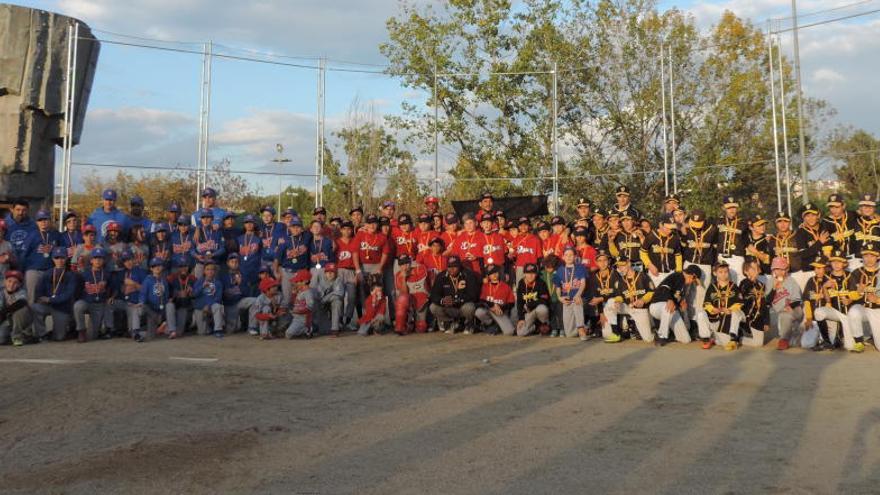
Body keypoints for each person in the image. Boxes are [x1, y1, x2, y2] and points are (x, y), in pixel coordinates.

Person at [811, 251, 859, 351]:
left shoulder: (850, 276)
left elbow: (856, 295)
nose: (836, 264)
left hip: (847, 315)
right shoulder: (826, 276)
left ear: (844, 263)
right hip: (833, 313)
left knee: (849, 346)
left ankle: (841, 337)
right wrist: (824, 287)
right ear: (830, 263)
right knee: (818, 312)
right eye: (833, 261)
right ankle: (826, 341)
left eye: (839, 261)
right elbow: (823, 299)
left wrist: (850, 300)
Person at [602, 256, 654, 343]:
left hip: (640, 309)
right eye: (618, 267)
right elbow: (619, 295)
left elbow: (652, 292)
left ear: (629, 263)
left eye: (623, 265)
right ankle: (615, 333)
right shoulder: (620, 280)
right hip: (628, 307)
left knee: (648, 339)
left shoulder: (642, 276)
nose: (620, 269)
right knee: (610, 303)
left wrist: (643, 300)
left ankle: (654, 327)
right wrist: (618, 301)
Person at [32, 247, 77, 342]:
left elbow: (68, 294)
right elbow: (39, 290)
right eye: (56, 258)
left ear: (66, 259)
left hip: (62, 307)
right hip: (48, 305)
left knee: (59, 337)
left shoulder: (71, 275)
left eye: (62, 258)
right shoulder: (47, 273)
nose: (59, 260)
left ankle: (55, 332)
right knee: (35, 307)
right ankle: (41, 334)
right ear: (52, 259)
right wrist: (40, 298)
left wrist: (50, 299)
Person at [649, 265, 702, 346]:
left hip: (670, 310)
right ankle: (661, 336)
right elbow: (664, 287)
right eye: (694, 279)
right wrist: (669, 299)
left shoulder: (685, 286)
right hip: (657, 305)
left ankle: (670, 335)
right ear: (692, 275)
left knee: (686, 339)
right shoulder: (677, 275)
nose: (693, 282)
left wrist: (683, 309)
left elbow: (677, 299)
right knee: (670, 307)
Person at [696, 261, 744, 350]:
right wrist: (715, 309)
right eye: (720, 272)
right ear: (715, 273)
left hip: (728, 319)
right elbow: (706, 304)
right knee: (701, 313)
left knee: (737, 312)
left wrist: (729, 309)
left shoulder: (734, 287)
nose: (723, 274)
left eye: (726, 272)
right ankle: (706, 338)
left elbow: (739, 303)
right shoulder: (712, 287)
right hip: (715, 318)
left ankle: (733, 337)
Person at [429, 255, 479, 334]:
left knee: (469, 307)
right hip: (448, 306)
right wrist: (442, 300)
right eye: (449, 267)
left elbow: (473, 295)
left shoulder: (468, 275)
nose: (451, 269)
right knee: (433, 307)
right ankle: (449, 323)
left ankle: (468, 323)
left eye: (454, 266)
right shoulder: (441, 276)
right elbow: (434, 294)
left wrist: (458, 299)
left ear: (459, 266)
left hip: (463, 305)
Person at [765, 256, 805, 351]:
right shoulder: (770, 282)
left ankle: (784, 340)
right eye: (777, 269)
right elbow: (767, 301)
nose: (780, 272)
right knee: (780, 315)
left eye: (782, 269)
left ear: (787, 270)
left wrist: (790, 306)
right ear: (773, 270)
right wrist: (774, 289)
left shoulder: (791, 281)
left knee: (785, 315)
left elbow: (797, 300)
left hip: (793, 309)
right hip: (778, 311)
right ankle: (793, 334)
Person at [846, 243, 880, 351]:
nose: (869, 259)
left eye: (872, 255)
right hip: (864, 308)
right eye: (866, 255)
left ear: (878, 256)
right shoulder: (856, 273)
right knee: (853, 311)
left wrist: (878, 299)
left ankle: (873, 337)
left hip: (878, 310)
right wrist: (859, 292)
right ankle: (859, 341)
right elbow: (851, 295)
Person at [108, 250, 147, 340]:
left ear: (134, 259)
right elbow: (118, 288)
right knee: (109, 304)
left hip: (134, 304)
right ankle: (109, 329)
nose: (128, 262)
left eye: (130, 259)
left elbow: (146, 289)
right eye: (125, 261)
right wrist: (115, 295)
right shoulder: (121, 273)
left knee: (132, 331)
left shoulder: (141, 271)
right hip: (124, 301)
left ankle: (138, 333)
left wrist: (134, 284)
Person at [23, 209, 58, 304]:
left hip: (50, 270)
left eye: (45, 219)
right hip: (34, 270)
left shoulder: (55, 235)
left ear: (50, 220)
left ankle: (43, 318)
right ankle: (30, 318)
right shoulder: (32, 235)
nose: (43, 222)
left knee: (47, 298)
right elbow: (24, 254)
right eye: (40, 220)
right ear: (36, 222)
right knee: (31, 298)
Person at [553, 247, 589, 340]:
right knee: (569, 334)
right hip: (567, 300)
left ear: (575, 257)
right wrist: (560, 297)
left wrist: (578, 294)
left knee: (577, 302)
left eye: (571, 255)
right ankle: (585, 328)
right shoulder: (559, 270)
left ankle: (581, 328)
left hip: (578, 298)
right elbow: (557, 287)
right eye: (566, 255)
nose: (568, 257)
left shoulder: (580, 267)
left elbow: (583, 283)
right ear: (563, 257)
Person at [792, 203, 830, 290]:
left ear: (818, 215)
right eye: (807, 216)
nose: (810, 218)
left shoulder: (825, 227)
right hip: (809, 270)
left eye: (813, 215)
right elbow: (803, 254)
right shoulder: (801, 232)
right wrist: (819, 242)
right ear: (803, 218)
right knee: (811, 298)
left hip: (825, 269)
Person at [640, 214, 682, 288]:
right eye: (668, 227)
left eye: (672, 227)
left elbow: (678, 255)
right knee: (655, 296)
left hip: (670, 273)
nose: (670, 230)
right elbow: (643, 252)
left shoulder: (675, 238)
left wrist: (678, 272)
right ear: (661, 225)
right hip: (655, 273)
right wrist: (650, 265)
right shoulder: (651, 236)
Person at [801, 255, 833, 351]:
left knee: (832, 342)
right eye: (816, 268)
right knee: (806, 344)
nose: (817, 271)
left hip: (828, 319)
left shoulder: (830, 280)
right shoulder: (811, 281)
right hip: (814, 320)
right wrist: (809, 318)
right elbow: (806, 301)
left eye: (820, 268)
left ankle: (830, 338)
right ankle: (818, 337)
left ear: (826, 268)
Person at [393, 255, 431, 335]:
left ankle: (416, 322)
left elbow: (424, 289)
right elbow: (404, 293)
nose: (406, 266)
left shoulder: (420, 269)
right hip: (410, 304)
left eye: (407, 263)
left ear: (410, 263)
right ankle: (400, 326)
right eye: (403, 264)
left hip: (422, 302)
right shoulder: (398, 275)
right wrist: (403, 278)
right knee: (402, 298)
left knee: (421, 328)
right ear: (399, 266)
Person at [221, 254, 258, 335]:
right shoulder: (224, 276)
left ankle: (252, 327)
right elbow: (225, 294)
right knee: (230, 331)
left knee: (255, 301)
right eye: (232, 262)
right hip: (229, 305)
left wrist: (240, 284)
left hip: (240, 302)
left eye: (236, 262)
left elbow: (247, 293)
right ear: (228, 263)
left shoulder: (243, 275)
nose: (234, 264)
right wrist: (235, 288)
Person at [475, 263, 515, 335]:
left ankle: (497, 327)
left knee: (509, 332)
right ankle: (491, 325)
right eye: (491, 273)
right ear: (488, 276)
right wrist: (492, 305)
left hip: (500, 312)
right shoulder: (485, 286)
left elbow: (511, 303)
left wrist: (501, 308)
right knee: (479, 312)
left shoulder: (505, 286)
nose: (494, 275)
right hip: (490, 310)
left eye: (496, 272)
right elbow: (481, 301)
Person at [139, 258, 175, 339]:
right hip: (152, 310)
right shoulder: (147, 280)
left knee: (170, 305)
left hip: (162, 309)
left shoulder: (164, 280)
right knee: (150, 337)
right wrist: (141, 302)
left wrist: (168, 300)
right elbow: (143, 294)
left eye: (159, 265)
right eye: (154, 266)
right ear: (151, 268)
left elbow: (166, 295)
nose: (157, 268)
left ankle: (172, 330)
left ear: (162, 267)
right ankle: (158, 327)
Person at [739, 259, 770, 347]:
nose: (756, 270)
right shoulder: (744, 283)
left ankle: (739, 338)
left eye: (757, 268)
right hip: (745, 316)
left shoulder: (762, 285)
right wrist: (751, 280)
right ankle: (734, 332)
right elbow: (743, 292)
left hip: (757, 317)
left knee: (758, 344)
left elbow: (765, 305)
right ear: (745, 271)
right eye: (753, 268)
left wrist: (766, 322)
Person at [822, 193, 859, 269]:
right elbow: (826, 246)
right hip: (837, 261)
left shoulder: (852, 215)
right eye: (831, 207)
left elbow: (867, 215)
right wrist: (831, 263)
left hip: (854, 258)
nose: (834, 210)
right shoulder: (825, 222)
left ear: (843, 205)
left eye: (837, 207)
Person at [335, 221, 360, 330]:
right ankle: (339, 320)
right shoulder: (336, 242)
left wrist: (357, 273)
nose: (346, 231)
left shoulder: (355, 241)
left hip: (351, 271)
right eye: (344, 229)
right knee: (339, 296)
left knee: (352, 297)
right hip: (339, 271)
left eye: (349, 229)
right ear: (341, 230)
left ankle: (348, 320)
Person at [514, 263, 551, 336]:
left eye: (533, 273)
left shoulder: (540, 283)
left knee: (542, 309)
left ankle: (543, 324)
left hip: (537, 310)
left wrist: (530, 304)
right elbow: (519, 302)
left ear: (536, 274)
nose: (530, 275)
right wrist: (521, 318)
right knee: (521, 333)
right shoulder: (521, 283)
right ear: (524, 274)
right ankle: (535, 328)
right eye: (528, 273)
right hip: (528, 313)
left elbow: (545, 300)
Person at [681, 209, 716, 287]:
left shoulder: (712, 230)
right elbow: (682, 248)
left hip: (705, 264)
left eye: (698, 224)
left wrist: (714, 264)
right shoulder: (687, 229)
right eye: (694, 223)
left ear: (704, 220)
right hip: (689, 262)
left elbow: (715, 249)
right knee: (686, 289)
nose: (695, 226)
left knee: (703, 289)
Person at [585, 251, 614, 339]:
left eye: (605, 260)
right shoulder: (594, 277)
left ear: (608, 261)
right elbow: (595, 296)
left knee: (611, 302)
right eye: (600, 260)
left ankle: (620, 327)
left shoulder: (614, 274)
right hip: (602, 305)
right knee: (591, 302)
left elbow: (617, 293)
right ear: (596, 262)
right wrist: (601, 313)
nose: (602, 263)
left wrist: (602, 298)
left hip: (612, 303)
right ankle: (595, 325)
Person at [716, 196, 746, 282]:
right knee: (723, 285)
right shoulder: (718, 221)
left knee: (739, 283)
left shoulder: (743, 223)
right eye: (729, 207)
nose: (732, 210)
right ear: (724, 208)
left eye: (734, 207)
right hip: (722, 258)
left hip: (737, 258)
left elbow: (748, 241)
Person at [0, 271, 33, 346]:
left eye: (15, 283)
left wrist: (4, 312)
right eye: (9, 281)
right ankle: (9, 335)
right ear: (5, 282)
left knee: (21, 310)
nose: (11, 284)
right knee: (1, 339)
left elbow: (22, 302)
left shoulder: (21, 292)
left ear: (19, 284)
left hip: (23, 321)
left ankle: (17, 337)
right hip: (8, 320)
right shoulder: (1, 292)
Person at [192, 261, 224, 337]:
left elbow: (218, 298)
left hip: (212, 306)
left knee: (217, 306)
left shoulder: (218, 283)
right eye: (208, 269)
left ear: (215, 271)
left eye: (212, 269)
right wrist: (202, 287)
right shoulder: (199, 281)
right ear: (204, 271)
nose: (210, 271)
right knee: (202, 332)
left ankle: (217, 330)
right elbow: (194, 295)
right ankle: (208, 326)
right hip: (200, 307)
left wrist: (208, 305)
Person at [191, 209, 225, 278]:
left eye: (208, 217)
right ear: (201, 219)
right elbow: (191, 250)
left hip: (214, 263)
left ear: (212, 218)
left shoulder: (218, 232)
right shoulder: (196, 233)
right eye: (203, 217)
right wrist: (196, 256)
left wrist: (213, 254)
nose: (205, 220)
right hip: (200, 264)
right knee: (199, 285)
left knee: (214, 285)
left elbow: (223, 249)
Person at [313, 263, 345, 336]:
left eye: (332, 272)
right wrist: (329, 296)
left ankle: (335, 329)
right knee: (324, 331)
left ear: (336, 273)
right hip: (320, 305)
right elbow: (315, 296)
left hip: (329, 302)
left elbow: (339, 294)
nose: (330, 274)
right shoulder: (320, 280)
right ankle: (314, 325)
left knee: (337, 301)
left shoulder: (338, 279)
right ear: (325, 273)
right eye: (328, 272)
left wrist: (326, 298)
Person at [286, 269, 317, 339]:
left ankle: (307, 329)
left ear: (305, 281)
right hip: (296, 318)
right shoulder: (300, 291)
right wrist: (294, 294)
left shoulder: (308, 292)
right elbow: (294, 303)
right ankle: (305, 329)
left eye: (298, 281)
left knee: (288, 334)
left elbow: (310, 307)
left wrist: (299, 311)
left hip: (303, 319)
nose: (296, 283)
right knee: (288, 333)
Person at [169, 259, 196, 336]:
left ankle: (188, 324)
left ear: (188, 267)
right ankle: (167, 325)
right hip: (175, 305)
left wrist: (192, 293)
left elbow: (196, 294)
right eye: (181, 266)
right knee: (169, 305)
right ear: (177, 268)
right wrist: (177, 293)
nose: (183, 268)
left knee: (180, 332)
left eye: (185, 266)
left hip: (187, 306)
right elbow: (167, 293)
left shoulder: (193, 278)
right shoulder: (171, 278)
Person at [5, 198, 35, 264]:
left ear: (28, 211)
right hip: (7, 262)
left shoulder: (34, 225)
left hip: (27, 262)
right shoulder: (4, 224)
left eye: (24, 210)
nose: (20, 213)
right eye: (18, 210)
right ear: (12, 210)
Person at [540, 255, 562, 335]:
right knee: (551, 314)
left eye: (551, 267)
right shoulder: (542, 274)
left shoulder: (558, 273)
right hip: (548, 298)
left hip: (557, 298)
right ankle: (554, 328)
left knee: (560, 314)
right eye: (547, 267)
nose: (548, 269)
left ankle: (562, 329)